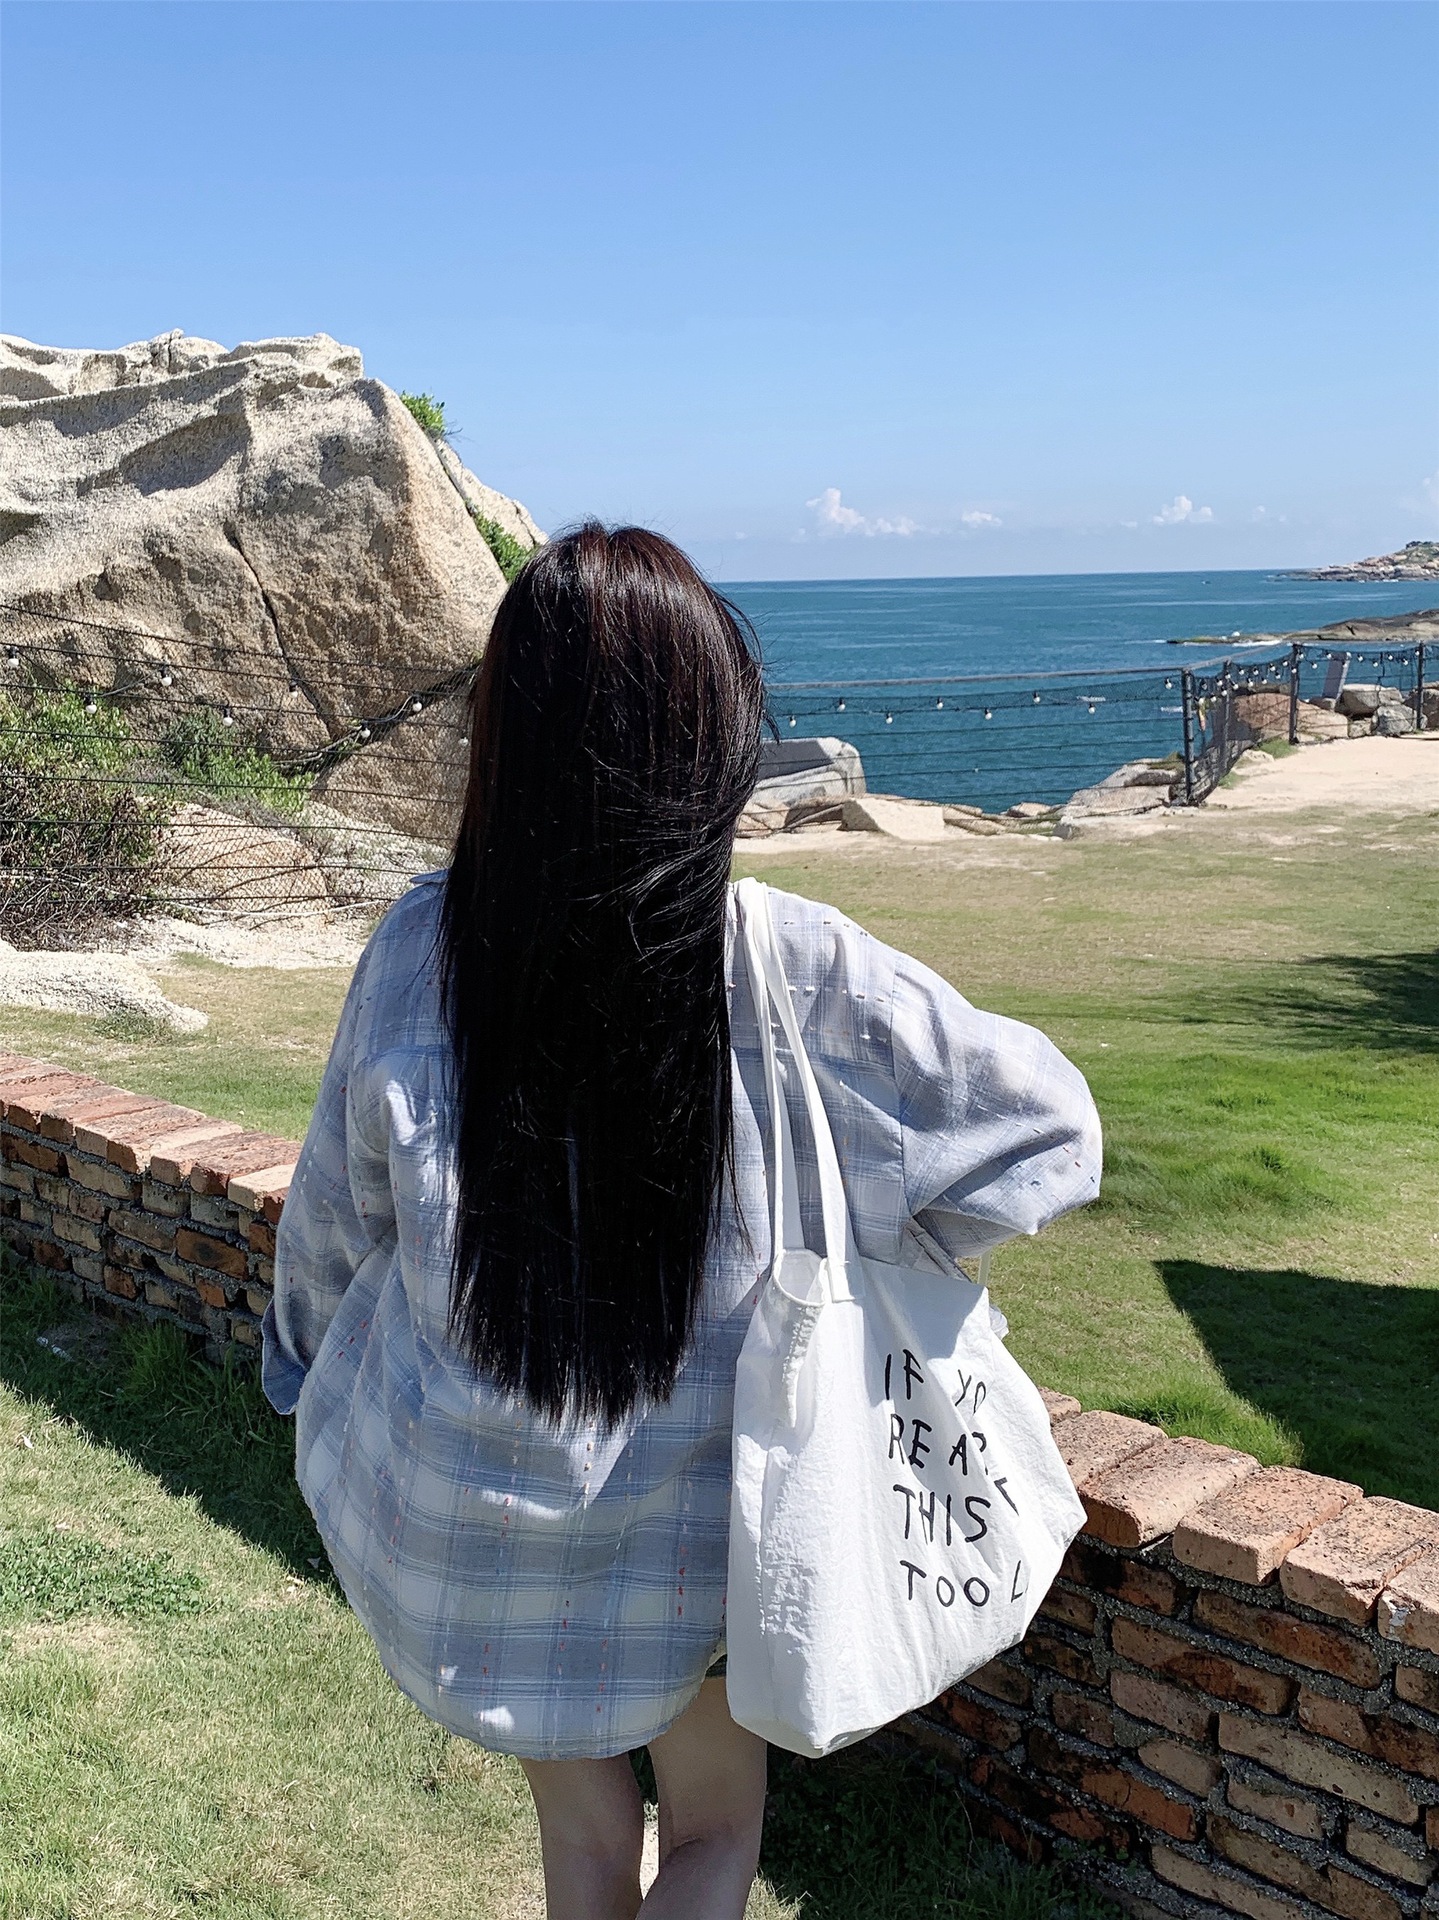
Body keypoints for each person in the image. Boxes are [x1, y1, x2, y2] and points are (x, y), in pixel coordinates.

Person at [262, 523, 1101, 1919]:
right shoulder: (792, 963)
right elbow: (1046, 1134)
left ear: (507, 739)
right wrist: (881, 1243)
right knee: (713, 1840)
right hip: (716, 1530)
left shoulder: (425, 949)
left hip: (494, 1532)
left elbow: (336, 1225)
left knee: (587, 1850)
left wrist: (296, 1367)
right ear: (711, 734)